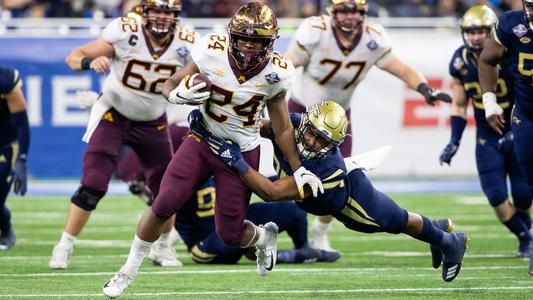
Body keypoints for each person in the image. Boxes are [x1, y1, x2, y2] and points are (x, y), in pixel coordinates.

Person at [102, 3, 323, 298]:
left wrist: (299, 169)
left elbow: (282, 128)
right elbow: (170, 82)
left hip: (242, 151)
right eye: (243, 38)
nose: (247, 46)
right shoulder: (210, 49)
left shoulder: (277, 72)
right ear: (232, 35)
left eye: (256, 40)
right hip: (203, 140)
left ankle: (261, 236)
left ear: (269, 42)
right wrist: (178, 94)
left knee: (229, 235)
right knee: (164, 203)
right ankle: (128, 270)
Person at [202, 100, 469, 283]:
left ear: (333, 145)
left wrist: (234, 160)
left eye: (323, 141)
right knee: (400, 219)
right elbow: (261, 126)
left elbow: (271, 192)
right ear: (304, 123)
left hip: (349, 199)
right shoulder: (292, 126)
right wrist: (229, 127)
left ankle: (449, 242)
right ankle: (436, 230)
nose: (313, 142)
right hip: (316, 194)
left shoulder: (326, 167)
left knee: (393, 221)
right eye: (312, 134)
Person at [284, 0, 453, 251]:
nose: (348, 17)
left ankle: (319, 233)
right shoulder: (315, 31)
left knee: (335, 180)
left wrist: (424, 88)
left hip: (336, 122)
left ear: (363, 13)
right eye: (342, 11)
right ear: (332, 12)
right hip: (301, 112)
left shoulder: (372, 39)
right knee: (287, 171)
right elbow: (287, 63)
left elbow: (399, 67)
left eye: (353, 11)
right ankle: (287, 226)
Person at [48, 0, 197, 269]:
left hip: (153, 122)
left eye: (168, 12)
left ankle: (162, 248)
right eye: (157, 10)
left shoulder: (187, 42)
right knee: (93, 184)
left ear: (177, 15)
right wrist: (91, 61)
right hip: (113, 115)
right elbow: (74, 55)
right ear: (145, 11)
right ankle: (64, 245)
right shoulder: (126, 31)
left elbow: (204, 74)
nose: (162, 17)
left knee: (168, 190)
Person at [111, 112, 339, 265]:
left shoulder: (230, 142)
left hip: (230, 218)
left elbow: (257, 184)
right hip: (204, 242)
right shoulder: (185, 151)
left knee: (292, 210)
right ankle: (286, 256)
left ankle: (304, 248)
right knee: (231, 240)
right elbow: (162, 199)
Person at [440, 5, 532, 257]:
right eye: (471, 31)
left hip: (516, 127)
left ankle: (527, 229)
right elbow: (459, 104)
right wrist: (454, 141)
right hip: (487, 135)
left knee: (524, 194)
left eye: (482, 31)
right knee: (496, 196)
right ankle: (526, 236)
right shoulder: (460, 62)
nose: (477, 36)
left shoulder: (509, 51)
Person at [0, 66, 30, 250]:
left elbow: (22, 123)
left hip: (4, 145)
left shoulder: (5, 79)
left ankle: (5, 227)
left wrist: (22, 160)